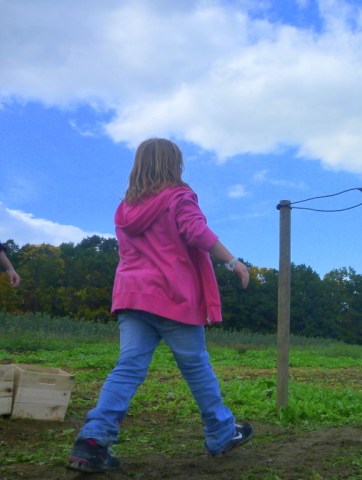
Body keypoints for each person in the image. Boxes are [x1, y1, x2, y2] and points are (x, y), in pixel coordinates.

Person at [67, 138, 253, 473]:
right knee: (196, 367)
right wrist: (232, 261)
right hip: (172, 296)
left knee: (128, 367)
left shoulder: (126, 209)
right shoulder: (179, 196)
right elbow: (197, 231)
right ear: (173, 164)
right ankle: (222, 433)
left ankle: (92, 440)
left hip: (132, 295)